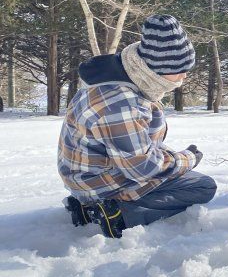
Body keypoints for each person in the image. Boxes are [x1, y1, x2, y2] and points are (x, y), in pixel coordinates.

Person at [58, 15, 217, 238]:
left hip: (90, 174)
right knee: (202, 186)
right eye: (180, 69)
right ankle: (115, 214)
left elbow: (138, 146)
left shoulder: (126, 78)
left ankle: (91, 207)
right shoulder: (120, 102)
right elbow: (141, 168)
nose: (184, 76)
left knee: (182, 177)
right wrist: (187, 159)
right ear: (158, 69)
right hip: (99, 183)